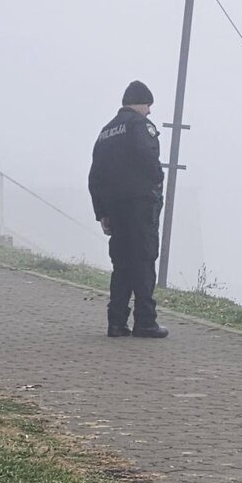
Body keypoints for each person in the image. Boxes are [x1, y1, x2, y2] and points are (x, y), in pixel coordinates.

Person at [88, 80, 168, 339]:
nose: (150, 111)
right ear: (139, 104)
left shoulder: (106, 132)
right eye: (148, 106)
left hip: (115, 210)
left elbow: (95, 176)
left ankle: (116, 322)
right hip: (140, 206)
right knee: (143, 261)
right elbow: (148, 157)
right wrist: (157, 180)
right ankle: (145, 321)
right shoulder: (140, 126)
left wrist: (102, 212)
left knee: (121, 265)